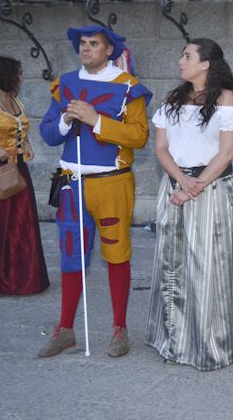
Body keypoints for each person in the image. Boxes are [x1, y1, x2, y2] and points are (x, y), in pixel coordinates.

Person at [38, 26, 152, 357]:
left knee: (117, 254)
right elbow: (48, 133)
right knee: (70, 255)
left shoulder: (129, 88)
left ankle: (119, 329)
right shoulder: (65, 83)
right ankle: (65, 330)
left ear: (109, 50)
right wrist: (65, 120)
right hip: (70, 182)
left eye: (93, 44)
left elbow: (139, 136)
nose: (85, 49)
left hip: (112, 182)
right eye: (82, 44)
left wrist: (95, 120)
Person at [146, 39, 233, 371]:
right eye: (182, 55)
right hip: (176, 186)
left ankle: (211, 344)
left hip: (211, 189)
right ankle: (175, 341)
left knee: (209, 268)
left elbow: (226, 153)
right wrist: (181, 181)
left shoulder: (227, 100)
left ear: (206, 64)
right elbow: (161, 148)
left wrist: (196, 186)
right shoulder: (173, 99)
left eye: (187, 56)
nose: (181, 61)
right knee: (172, 264)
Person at [0, 56, 49, 299]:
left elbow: (19, 129)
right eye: (18, 73)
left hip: (16, 168)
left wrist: (28, 144)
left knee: (19, 225)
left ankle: (19, 277)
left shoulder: (14, 100)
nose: (21, 78)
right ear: (5, 74)